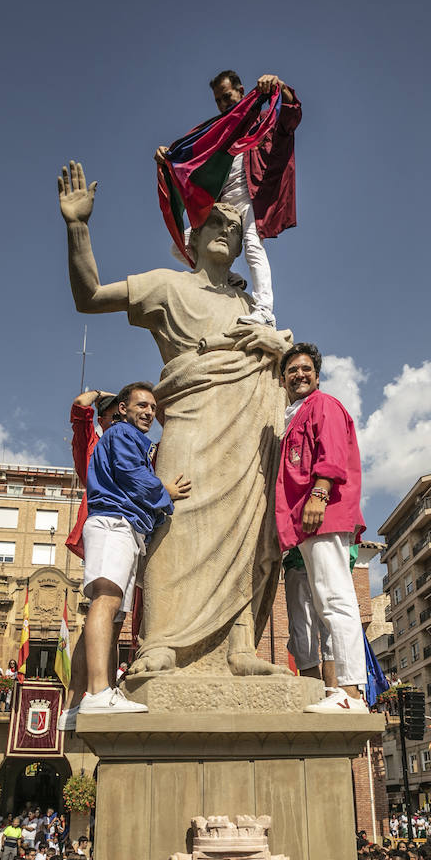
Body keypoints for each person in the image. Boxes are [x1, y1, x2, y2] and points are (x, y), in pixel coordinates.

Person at [59, 163, 293, 679]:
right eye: (216, 225)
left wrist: (274, 345)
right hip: (190, 410)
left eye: (235, 231)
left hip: (247, 421)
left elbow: (286, 365)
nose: (226, 233)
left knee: (247, 528)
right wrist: (78, 227)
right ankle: (160, 642)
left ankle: (239, 648)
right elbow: (89, 296)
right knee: (177, 516)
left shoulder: (251, 304)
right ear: (194, 237)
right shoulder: (166, 285)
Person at [75, 381, 189, 714]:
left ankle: (88, 696)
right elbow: (132, 475)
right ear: (123, 409)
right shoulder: (123, 435)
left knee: (110, 614)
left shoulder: (131, 438)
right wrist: (164, 490)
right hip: (114, 523)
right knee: (106, 601)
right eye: (142, 406)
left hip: (123, 527)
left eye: (153, 408)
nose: (149, 413)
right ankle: (97, 693)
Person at [156, 70, 301, 326]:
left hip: (252, 198)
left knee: (254, 247)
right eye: (218, 101)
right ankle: (230, 276)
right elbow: (191, 160)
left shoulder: (264, 120)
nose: (224, 104)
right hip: (223, 205)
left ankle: (265, 309)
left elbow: (291, 114)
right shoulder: (219, 132)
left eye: (227, 96)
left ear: (241, 91)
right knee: (181, 244)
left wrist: (278, 84)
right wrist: (169, 156)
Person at [275, 343, 367, 713]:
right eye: (292, 370)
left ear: (317, 375)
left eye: (306, 369)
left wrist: (320, 494)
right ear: (283, 379)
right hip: (305, 522)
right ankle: (340, 691)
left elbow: (332, 453)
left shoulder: (323, 405)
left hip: (323, 513)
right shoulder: (294, 415)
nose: (300, 374)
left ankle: (350, 692)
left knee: (335, 598)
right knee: (324, 601)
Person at [58, 388, 122, 729]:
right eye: (114, 416)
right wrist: (99, 394)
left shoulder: (134, 446)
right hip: (106, 530)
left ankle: (91, 696)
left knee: (113, 622)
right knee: (104, 609)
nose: (121, 421)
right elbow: (80, 408)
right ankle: (86, 695)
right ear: (103, 420)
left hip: (129, 535)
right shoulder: (93, 447)